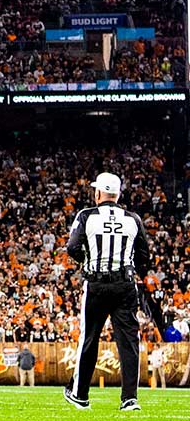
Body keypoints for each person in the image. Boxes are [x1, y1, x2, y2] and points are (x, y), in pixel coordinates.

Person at [64, 172, 152, 413]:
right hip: (125, 285)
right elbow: (145, 255)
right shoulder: (133, 219)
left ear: (98, 193)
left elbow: (72, 247)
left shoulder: (86, 216)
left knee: (89, 338)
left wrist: (87, 261)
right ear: (118, 194)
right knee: (128, 342)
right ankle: (129, 399)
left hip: (96, 283)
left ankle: (80, 395)